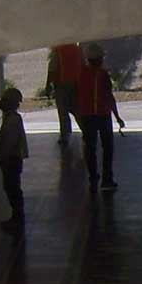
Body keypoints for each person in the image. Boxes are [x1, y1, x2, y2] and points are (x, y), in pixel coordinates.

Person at [75, 42, 125, 192]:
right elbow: (109, 97)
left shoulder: (81, 73)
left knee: (90, 148)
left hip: (87, 115)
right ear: (99, 59)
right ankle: (107, 179)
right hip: (103, 115)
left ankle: (93, 178)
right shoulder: (103, 75)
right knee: (107, 147)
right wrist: (117, 117)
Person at [0, 87, 29, 232]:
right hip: (12, 159)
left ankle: (17, 218)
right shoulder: (12, 118)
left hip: (11, 159)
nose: (1, 103)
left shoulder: (12, 120)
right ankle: (17, 217)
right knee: (12, 188)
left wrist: (4, 156)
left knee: (12, 188)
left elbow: (10, 142)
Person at [49, 42, 85, 145]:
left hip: (62, 83)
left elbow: (52, 68)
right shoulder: (77, 49)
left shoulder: (58, 50)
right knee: (77, 109)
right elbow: (83, 65)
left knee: (63, 110)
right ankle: (86, 130)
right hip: (76, 84)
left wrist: (48, 85)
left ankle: (65, 134)